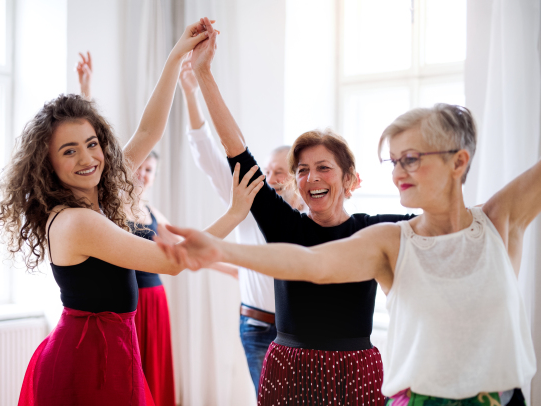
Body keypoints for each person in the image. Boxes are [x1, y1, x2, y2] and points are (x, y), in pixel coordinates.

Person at [156, 104, 538, 406]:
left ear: (459, 161)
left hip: (484, 393)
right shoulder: (389, 238)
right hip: (389, 389)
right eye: (394, 161)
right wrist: (221, 249)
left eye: (411, 158)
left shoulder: (495, 220)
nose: (398, 172)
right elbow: (312, 263)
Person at [0, 19, 258, 406]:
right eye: (69, 150)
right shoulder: (77, 221)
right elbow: (173, 261)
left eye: (92, 144)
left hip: (112, 348)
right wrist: (234, 212)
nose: (88, 158)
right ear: (49, 165)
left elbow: (147, 133)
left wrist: (176, 55)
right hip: (88, 359)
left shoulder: (94, 195)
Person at [178, 17, 415, 405]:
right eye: (302, 170)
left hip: (355, 371)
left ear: (351, 180)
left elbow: (439, 223)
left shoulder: (376, 230)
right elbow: (236, 149)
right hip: (288, 367)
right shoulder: (285, 225)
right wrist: (204, 73)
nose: (311, 177)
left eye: (324, 167)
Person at [75, 54, 237, 406]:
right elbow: (95, 152)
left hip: (153, 299)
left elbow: (182, 248)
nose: (143, 174)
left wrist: (236, 270)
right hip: (127, 306)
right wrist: (85, 92)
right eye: (140, 167)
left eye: (150, 171)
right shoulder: (107, 206)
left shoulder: (151, 211)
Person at [179, 60, 304, 395]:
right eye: (268, 169)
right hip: (259, 327)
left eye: (281, 171)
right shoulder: (249, 202)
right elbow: (207, 155)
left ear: (298, 176)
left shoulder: (311, 219)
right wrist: (191, 93)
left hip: (304, 331)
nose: (272, 177)